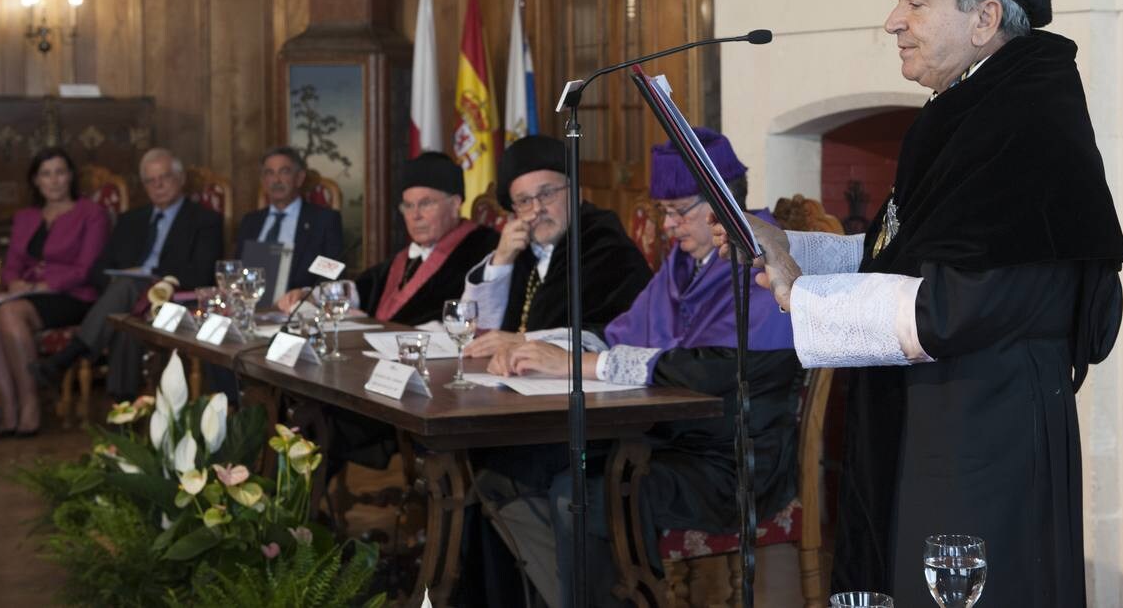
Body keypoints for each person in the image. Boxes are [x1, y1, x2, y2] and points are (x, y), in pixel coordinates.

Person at [713, 0, 1123, 607]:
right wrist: (794, 249)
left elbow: (955, 308)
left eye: (914, 2)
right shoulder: (977, 106)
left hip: (982, 432)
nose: (892, 22)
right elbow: (903, 251)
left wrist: (799, 292)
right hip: (946, 412)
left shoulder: (1023, 129)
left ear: (985, 17)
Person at [471, 129, 801, 608]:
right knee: (507, 476)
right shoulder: (683, 265)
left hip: (735, 461)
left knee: (577, 494)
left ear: (722, 200)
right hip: (670, 440)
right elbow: (618, 333)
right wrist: (534, 343)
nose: (667, 227)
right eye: (663, 212)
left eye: (678, 211)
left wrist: (584, 364)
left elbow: (712, 371)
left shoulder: (761, 260)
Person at [34, 148, 223, 401]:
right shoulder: (131, 220)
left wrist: (149, 275)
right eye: (150, 180)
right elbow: (98, 271)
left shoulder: (204, 220)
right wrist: (119, 280)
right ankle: (122, 403)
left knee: (128, 291)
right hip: (132, 303)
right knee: (127, 315)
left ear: (180, 179)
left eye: (164, 177)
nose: (158, 186)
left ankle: (72, 356)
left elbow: (202, 272)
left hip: (176, 300)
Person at [460, 134, 652, 362]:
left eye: (547, 194)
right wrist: (501, 261)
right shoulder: (524, 249)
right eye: (524, 201)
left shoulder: (607, 249)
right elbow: (472, 329)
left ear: (576, 193)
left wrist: (523, 341)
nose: (537, 208)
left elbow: (608, 338)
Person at [0, 148, 110, 436]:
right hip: (27, 295)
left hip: (74, 295)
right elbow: (11, 265)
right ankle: (9, 404)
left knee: (10, 312)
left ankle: (31, 402)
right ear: (36, 180)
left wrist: (42, 285)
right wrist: (15, 283)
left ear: (70, 176)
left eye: (60, 172)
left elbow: (86, 267)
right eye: (46, 174)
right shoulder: (25, 217)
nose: (54, 180)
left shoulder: (91, 213)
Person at [276, 152, 498, 326]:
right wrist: (311, 295)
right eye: (408, 206)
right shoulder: (407, 255)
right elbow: (360, 289)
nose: (415, 215)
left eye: (426, 203)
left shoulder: (483, 248)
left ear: (455, 203)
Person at [234, 146, 344, 292]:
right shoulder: (250, 221)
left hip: (299, 307)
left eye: (284, 172)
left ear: (299, 178)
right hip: (251, 304)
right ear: (263, 181)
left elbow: (333, 272)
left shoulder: (324, 221)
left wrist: (305, 294)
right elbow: (237, 271)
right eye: (269, 173)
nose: (276, 180)